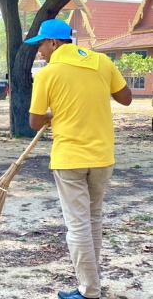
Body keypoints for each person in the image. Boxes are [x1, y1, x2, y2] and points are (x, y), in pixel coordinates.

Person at [25, 19, 132, 299]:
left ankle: (89, 291)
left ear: (55, 42)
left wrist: (50, 115)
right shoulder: (101, 61)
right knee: (93, 219)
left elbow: (34, 122)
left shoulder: (48, 73)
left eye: (41, 44)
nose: (39, 51)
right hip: (102, 155)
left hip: (69, 158)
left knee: (78, 225)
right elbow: (126, 98)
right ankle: (91, 285)